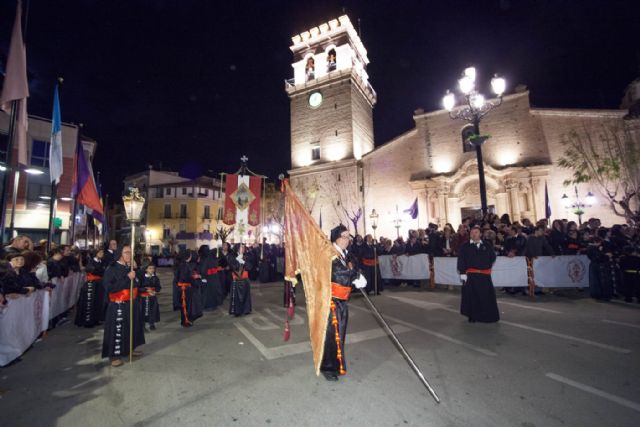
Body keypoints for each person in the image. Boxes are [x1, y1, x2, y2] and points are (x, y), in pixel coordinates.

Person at [320, 224, 367, 381]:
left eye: (349, 236)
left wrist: (357, 274)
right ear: (337, 238)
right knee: (332, 335)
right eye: (345, 236)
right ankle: (328, 368)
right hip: (332, 301)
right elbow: (337, 273)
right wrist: (354, 277)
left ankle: (337, 364)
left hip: (341, 300)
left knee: (339, 335)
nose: (348, 240)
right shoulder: (330, 253)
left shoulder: (343, 253)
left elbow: (352, 266)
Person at [101, 245, 145, 367]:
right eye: (126, 252)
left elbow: (138, 283)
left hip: (132, 301)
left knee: (132, 327)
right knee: (118, 330)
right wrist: (127, 278)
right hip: (118, 303)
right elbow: (109, 287)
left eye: (131, 252)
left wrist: (137, 271)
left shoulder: (130, 267)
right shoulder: (111, 269)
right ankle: (114, 355)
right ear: (120, 254)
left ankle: (130, 348)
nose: (130, 255)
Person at [457, 226, 499, 323]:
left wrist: (487, 265)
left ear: (480, 234)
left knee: (485, 296)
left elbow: (492, 257)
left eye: (476, 232)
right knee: (472, 297)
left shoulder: (487, 245)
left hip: (484, 276)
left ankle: (487, 316)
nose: (474, 234)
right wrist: (462, 273)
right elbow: (461, 260)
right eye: (472, 233)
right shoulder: (465, 246)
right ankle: (472, 315)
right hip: (471, 276)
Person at [75, 249, 106, 327]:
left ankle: (96, 319)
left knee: (98, 302)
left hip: (99, 284)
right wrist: (100, 271)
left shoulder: (101, 262)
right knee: (89, 303)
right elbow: (92, 271)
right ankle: (88, 321)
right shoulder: (91, 262)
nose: (102, 254)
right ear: (96, 253)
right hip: (91, 284)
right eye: (100, 252)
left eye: (102, 252)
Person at [174, 250, 203, 327]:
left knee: (185, 305)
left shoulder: (182, 264)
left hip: (183, 287)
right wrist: (195, 278)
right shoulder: (184, 266)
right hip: (185, 288)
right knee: (185, 306)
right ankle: (185, 321)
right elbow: (185, 278)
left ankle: (185, 320)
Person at [228, 244, 252, 316]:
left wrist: (243, 261)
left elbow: (250, 267)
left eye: (244, 248)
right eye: (241, 248)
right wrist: (237, 260)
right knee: (236, 297)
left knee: (246, 296)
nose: (243, 249)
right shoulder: (232, 257)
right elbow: (232, 267)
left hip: (245, 279)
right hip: (236, 279)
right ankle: (237, 311)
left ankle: (246, 310)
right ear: (237, 249)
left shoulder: (246, 257)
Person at [139, 263, 161, 330]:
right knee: (144, 311)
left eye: (153, 268)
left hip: (152, 297)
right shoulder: (142, 278)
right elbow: (138, 288)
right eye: (150, 268)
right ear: (146, 269)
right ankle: (143, 325)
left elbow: (158, 287)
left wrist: (155, 291)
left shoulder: (155, 278)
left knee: (152, 310)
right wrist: (146, 290)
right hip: (144, 298)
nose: (152, 270)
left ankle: (152, 323)